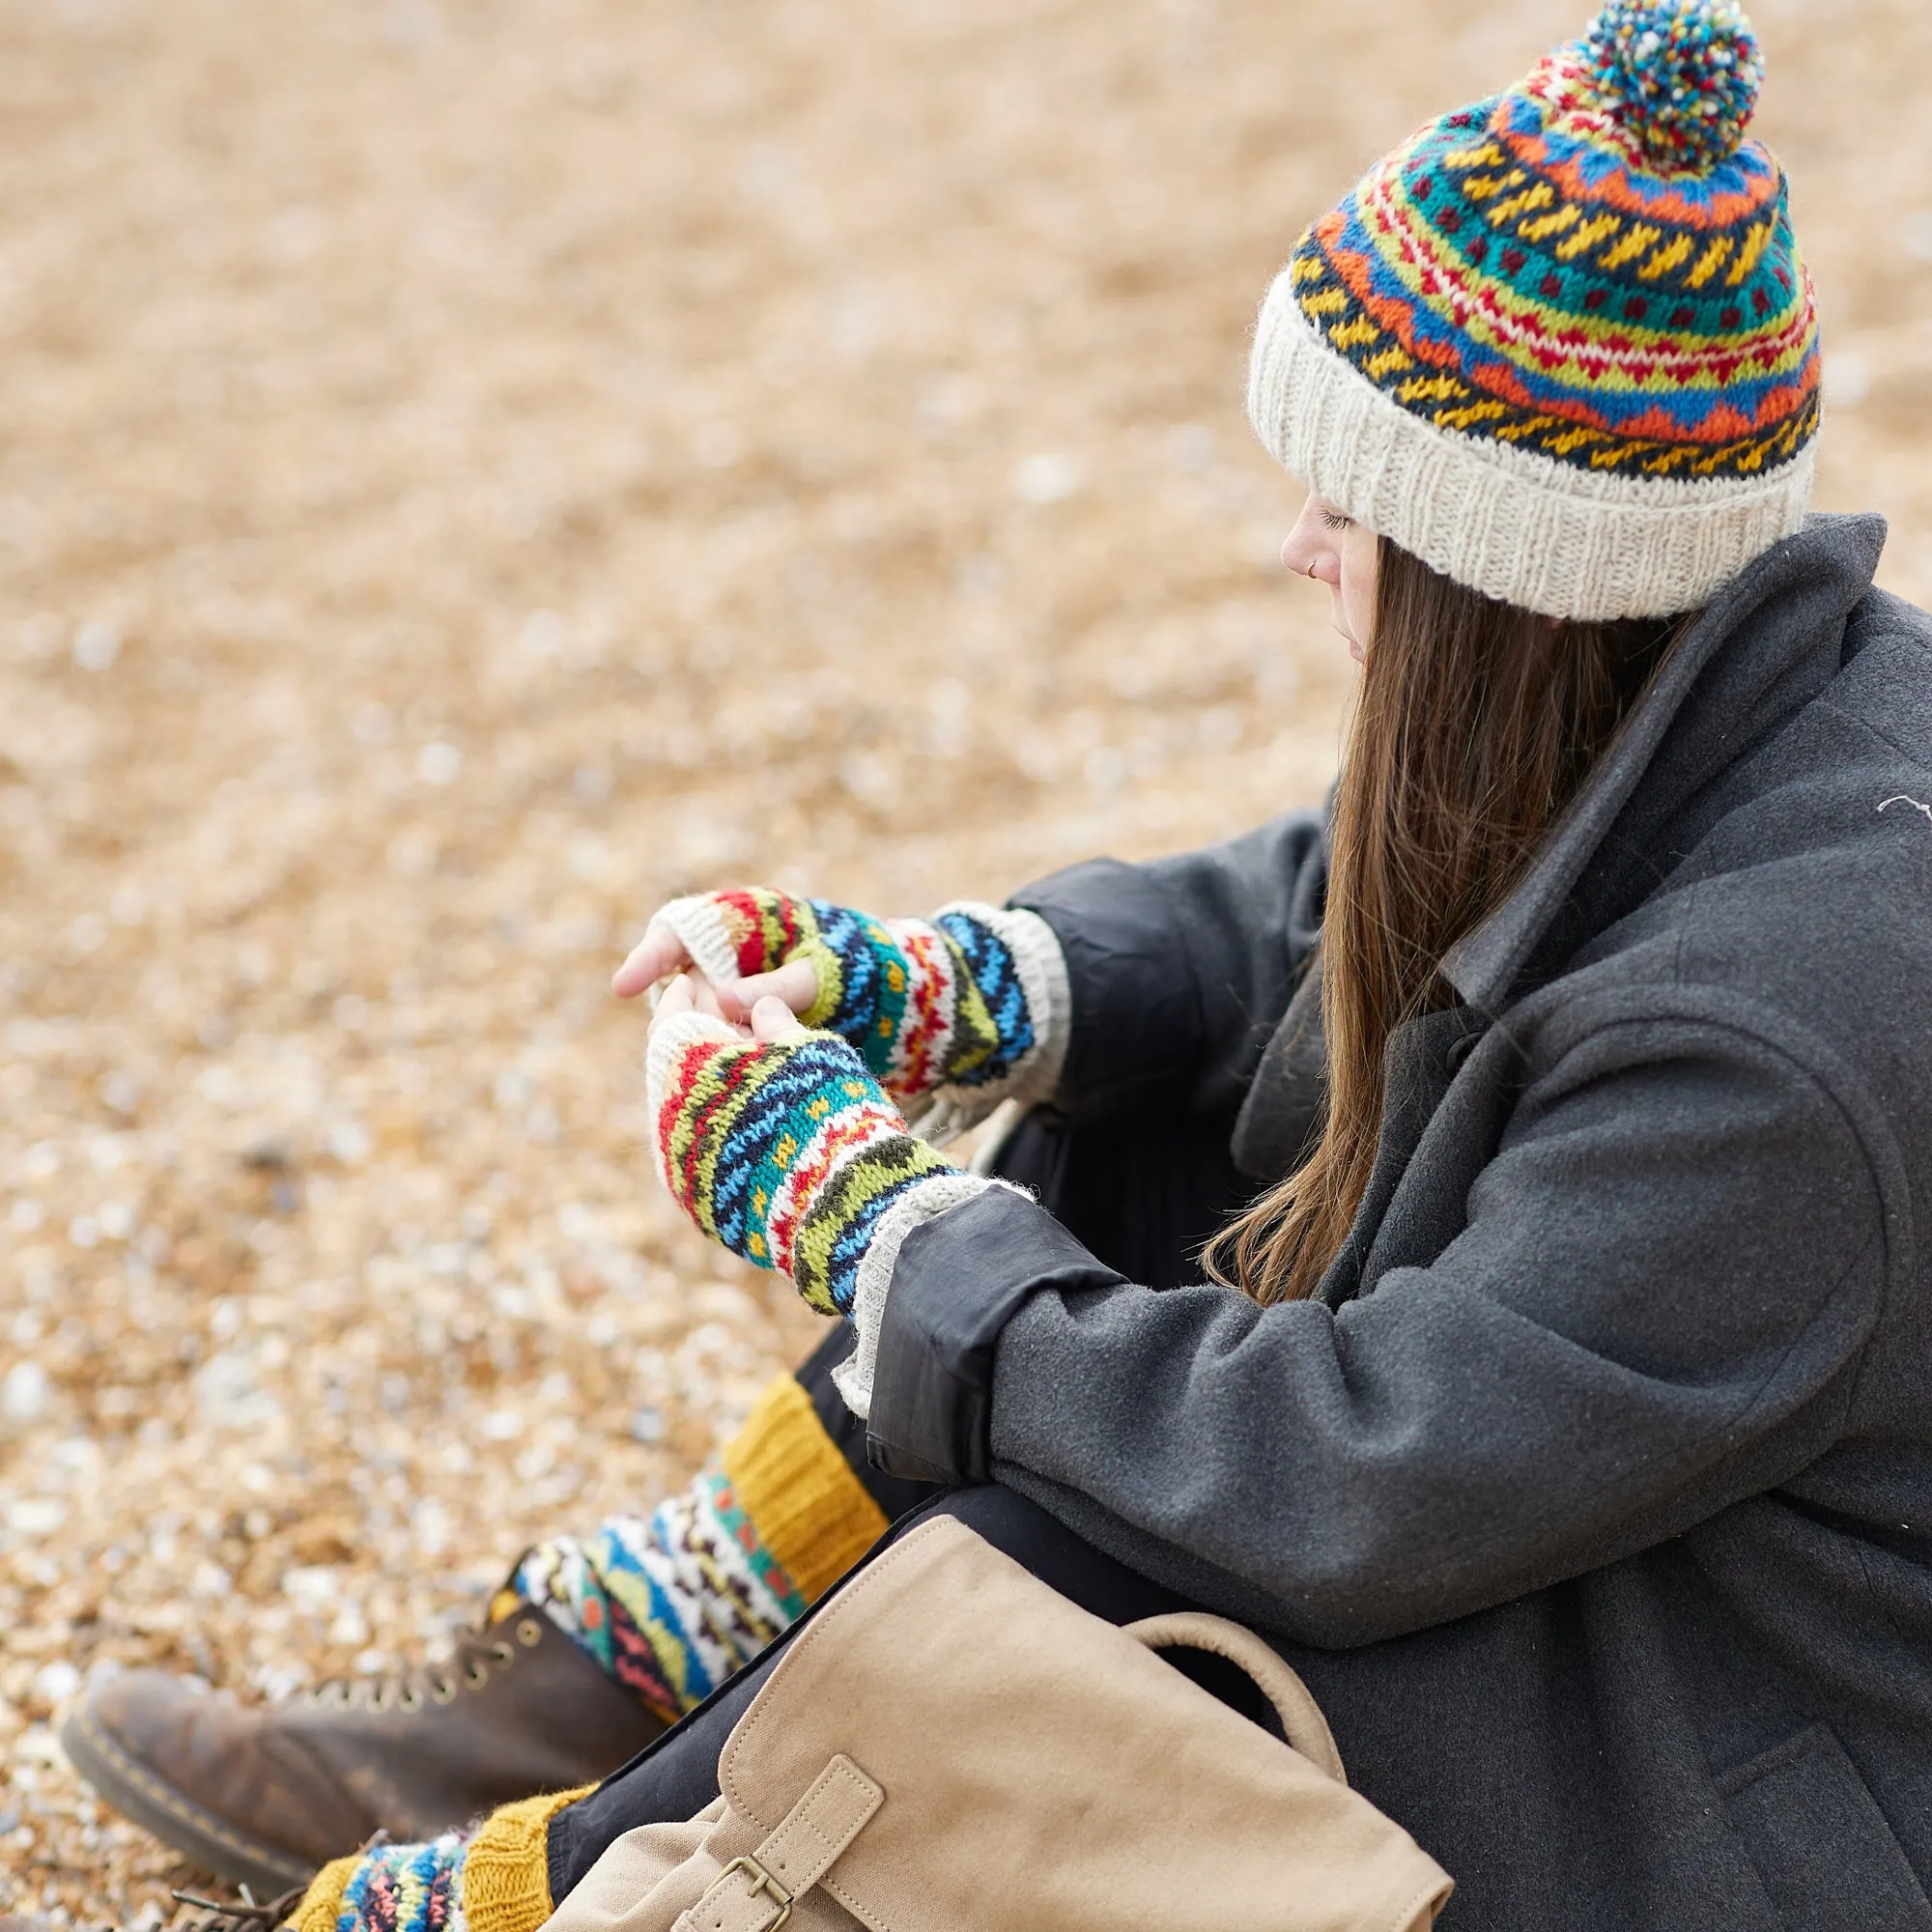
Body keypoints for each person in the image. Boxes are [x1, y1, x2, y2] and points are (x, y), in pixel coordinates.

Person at [49, 3, 1932, 1928]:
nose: (1300, 544)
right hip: (1639, 1536)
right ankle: (619, 1674)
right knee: (1137, 1146)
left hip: (1768, 1781)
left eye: (1350, 506)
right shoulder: (1719, 703)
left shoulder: (1766, 1050)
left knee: (1091, 1556)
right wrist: (950, 984)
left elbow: (1351, 1475)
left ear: (1501, 568)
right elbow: (1325, 907)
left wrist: (874, 1227)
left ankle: (549, 1880)